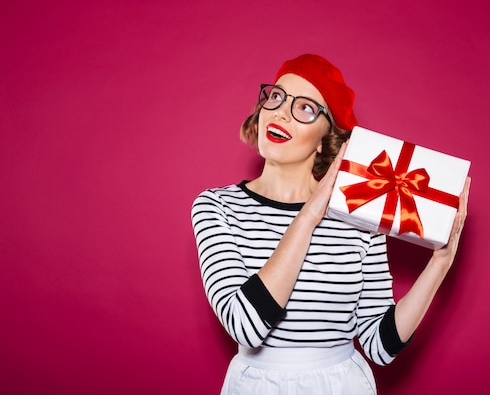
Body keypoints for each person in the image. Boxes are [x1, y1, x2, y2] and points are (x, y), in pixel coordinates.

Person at [191, 53, 470, 394]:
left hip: (342, 385)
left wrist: (440, 263)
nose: (280, 112)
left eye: (305, 108)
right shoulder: (216, 206)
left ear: (326, 137)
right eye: (276, 97)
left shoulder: (359, 218)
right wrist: (308, 216)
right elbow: (246, 327)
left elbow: (380, 346)